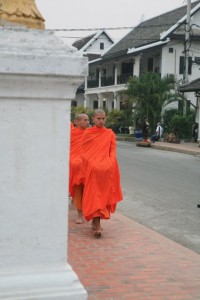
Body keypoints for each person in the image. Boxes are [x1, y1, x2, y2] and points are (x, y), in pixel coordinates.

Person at [80, 109, 123, 238]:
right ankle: (97, 225)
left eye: (103, 119)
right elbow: (83, 152)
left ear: (106, 118)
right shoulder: (88, 133)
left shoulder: (110, 134)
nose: (101, 121)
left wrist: (110, 163)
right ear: (93, 119)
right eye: (98, 119)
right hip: (93, 171)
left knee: (103, 196)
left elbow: (112, 151)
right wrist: (92, 164)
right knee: (95, 195)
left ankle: (95, 220)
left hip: (107, 171)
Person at [69, 113, 90, 224]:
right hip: (76, 165)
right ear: (77, 122)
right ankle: (79, 214)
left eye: (88, 120)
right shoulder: (70, 134)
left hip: (87, 165)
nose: (87, 122)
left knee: (88, 190)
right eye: (85, 120)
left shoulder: (91, 134)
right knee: (78, 189)